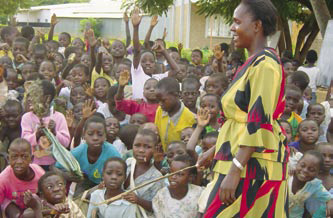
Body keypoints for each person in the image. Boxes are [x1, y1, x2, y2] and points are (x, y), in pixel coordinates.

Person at [200, 1, 288, 217]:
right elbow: (240, 118)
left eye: (237, 22)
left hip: (254, 167)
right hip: (240, 161)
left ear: (257, 25)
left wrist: (235, 170)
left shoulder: (265, 65)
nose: (231, 27)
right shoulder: (253, 62)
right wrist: (215, 150)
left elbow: (258, 121)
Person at [54, 116, 121, 197]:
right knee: (78, 199)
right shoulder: (78, 151)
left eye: (100, 134)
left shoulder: (112, 154)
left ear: (105, 136)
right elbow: (56, 167)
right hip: (86, 182)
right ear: (84, 135)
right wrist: (67, 175)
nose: (95, 138)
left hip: (109, 185)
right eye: (90, 134)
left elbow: (119, 176)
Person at [21, 80, 70, 169]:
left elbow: (66, 143)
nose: (29, 99)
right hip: (33, 164)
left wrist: (55, 132)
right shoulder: (27, 117)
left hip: (55, 164)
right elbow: (24, 141)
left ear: (47, 98)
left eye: (34, 95)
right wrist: (36, 135)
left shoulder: (58, 117)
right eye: (28, 95)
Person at [123, 129, 165, 217]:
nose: (141, 150)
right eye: (137, 145)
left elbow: (157, 207)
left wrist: (138, 200)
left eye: (147, 147)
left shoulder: (157, 177)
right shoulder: (128, 163)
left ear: (155, 149)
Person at [0, 138, 45, 217]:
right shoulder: (3, 179)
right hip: (12, 208)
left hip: (33, 206)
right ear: (8, 159)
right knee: (9, 206)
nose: (19, 161)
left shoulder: (39, 173)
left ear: (31, 159)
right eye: (14, 157)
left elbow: (46, 196)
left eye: (24, 157)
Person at [154, 77, 196, 151]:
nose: (160, 104)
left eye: (163, 100)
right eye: (158, 100)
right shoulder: (160, 111)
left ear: (178, 95)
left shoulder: (190, 118)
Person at [289, 150, 333, 217]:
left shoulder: (314, 185)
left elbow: (328, 197)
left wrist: (330, 202)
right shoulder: (287, 175)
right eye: (302, 165)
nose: (305, 170)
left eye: (311, 170)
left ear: (318, 173)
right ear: (297, 163)